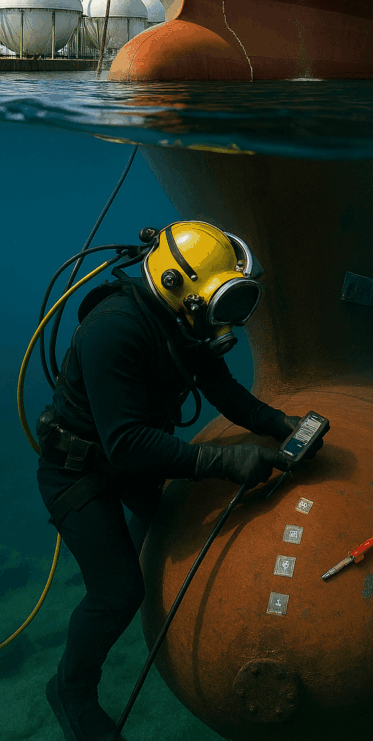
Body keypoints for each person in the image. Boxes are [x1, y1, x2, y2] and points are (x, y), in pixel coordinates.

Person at [36, 221, 325, 741]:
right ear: (178, 285)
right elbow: (126, 444)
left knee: (163, 526)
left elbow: (219, 385)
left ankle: (130, 565)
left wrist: (276, 422)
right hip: (79, 473)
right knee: (119, 591)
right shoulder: (115, 329)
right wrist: (226, 460)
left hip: (132, 460)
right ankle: (70, 692)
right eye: (223, 304)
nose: (225, 321)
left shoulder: (181, 320)